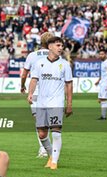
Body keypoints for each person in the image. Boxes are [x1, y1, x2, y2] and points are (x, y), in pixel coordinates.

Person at [27, 37, 73, 170]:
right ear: (50, 46)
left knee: (56, 130)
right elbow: (34, 80)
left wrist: (69, 104)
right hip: (41, 102)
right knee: (42, 134)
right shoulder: (39, 63)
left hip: (57, 101)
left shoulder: (64, 64)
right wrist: (30, 93)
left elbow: (69, 85)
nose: (61, 48)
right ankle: (51, 156)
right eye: (58, 45)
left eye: (62, 46)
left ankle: (54, 162)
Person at [20, 32, 53, 158]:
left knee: (39, 120)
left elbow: (24, 74)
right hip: (51, 92)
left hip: (35, 91)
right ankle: (47, 147)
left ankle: (43, 148)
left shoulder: (32, 55)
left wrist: (22, 86)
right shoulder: (55, 56)